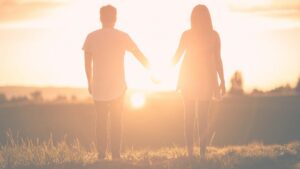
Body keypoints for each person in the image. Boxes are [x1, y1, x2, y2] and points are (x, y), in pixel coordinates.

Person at [82, 5, 149, 160]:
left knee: (101, 122)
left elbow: (87, 64)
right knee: (116, 122)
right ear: (115, 18)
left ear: (100, 18)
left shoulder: (91, 37)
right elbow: (138, 54)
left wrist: (89, 82)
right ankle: (116, 155)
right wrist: (151, 70)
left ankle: (101, 154)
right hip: (118, 87)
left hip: (99, 87)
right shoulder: (122, 36)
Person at [171, 4, 225, 158]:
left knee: (198, 118)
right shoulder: (191, 35)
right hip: (192, 79)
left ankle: (198, 154)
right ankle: (195, 154)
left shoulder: (212, 35)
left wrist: (223, 80)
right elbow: (177, 55)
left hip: (203, 80)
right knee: (195, 117)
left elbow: (218, 60)